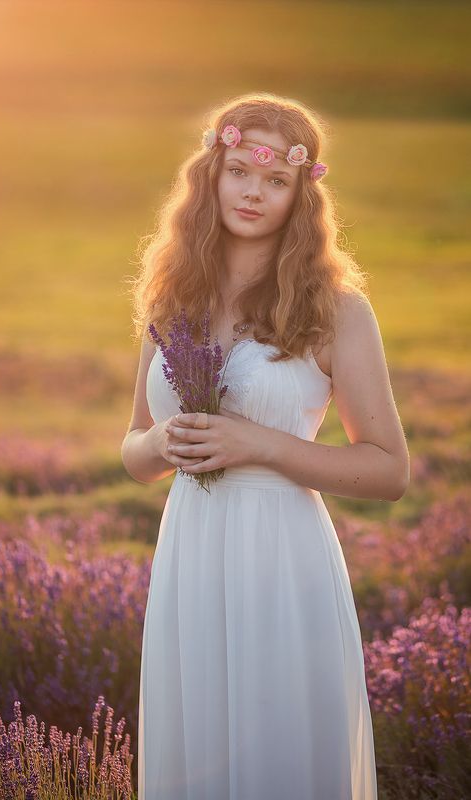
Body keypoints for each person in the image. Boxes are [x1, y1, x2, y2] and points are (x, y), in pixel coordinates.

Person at [121, 92, 410, 800]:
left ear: (299, 195)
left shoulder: (335, 309)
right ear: (210, 175)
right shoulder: (172, 300)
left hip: (281, 560)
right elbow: (133, 454)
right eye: (239, 171)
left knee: (276, 752)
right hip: (189, 555)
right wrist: (163, 439)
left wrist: (258, 443)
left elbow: (387, 469)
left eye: (275, 180)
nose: (253, 192)